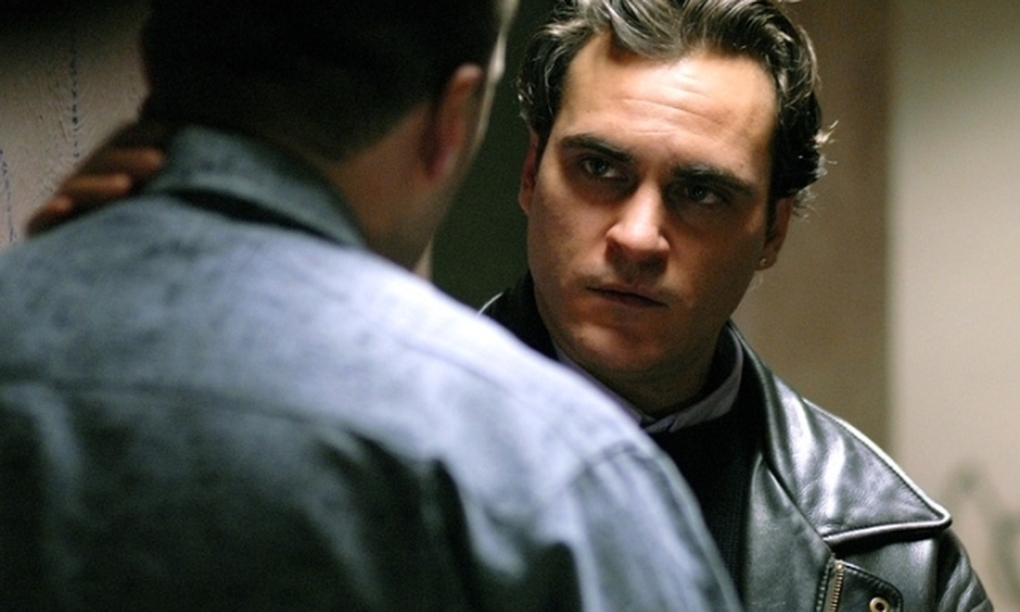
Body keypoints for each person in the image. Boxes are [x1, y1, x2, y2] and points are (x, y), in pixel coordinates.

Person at [23, 0, 992, 610]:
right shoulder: (387, 436)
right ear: (529, 173)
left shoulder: (889, 550)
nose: (638, 236)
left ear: (773, 230)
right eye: (599, 169)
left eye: (701, 192)